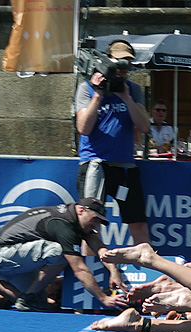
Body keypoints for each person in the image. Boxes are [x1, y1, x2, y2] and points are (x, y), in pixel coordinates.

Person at [0, 199, 127, 312]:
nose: (95, 225)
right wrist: (103, 298)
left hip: (14, 260)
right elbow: (79, 269)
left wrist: (114, 272)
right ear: (81, 210)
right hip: (2, 256)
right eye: (94, 220)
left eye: (99, 223)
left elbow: (100, 248)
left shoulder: (78, 223)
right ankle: (27, 295)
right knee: (59, 253)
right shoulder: (63, 225)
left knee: (38, 302)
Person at [74, 39, 152, 261]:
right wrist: (99, 94)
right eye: (118, 65)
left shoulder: (133, 90)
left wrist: (126, 97)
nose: (122, 70)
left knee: (137, 219)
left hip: (124, 166)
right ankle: (91, 270)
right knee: (90, 222)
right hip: (95, 165)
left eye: (127, 65)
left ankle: (147, 266)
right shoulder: (86, 88)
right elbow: (83, 128)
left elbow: (144, 126)